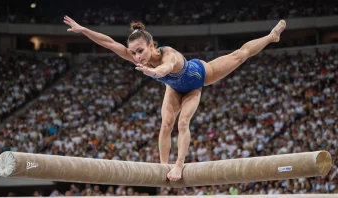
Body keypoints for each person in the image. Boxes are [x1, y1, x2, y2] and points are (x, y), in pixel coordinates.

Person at [63, 15, 286, 181]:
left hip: (198, 77)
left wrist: (153, 72)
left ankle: (270, 36)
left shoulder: (167, 54)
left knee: (238, 56)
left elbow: (166, 68)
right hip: (174, 88)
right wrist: (84, 30)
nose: (137, 57)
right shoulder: (138, 58)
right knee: (166, 124)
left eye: (140, 51)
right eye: (133, 53)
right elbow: (110, 43)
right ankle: (162, 167)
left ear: (151, 45)